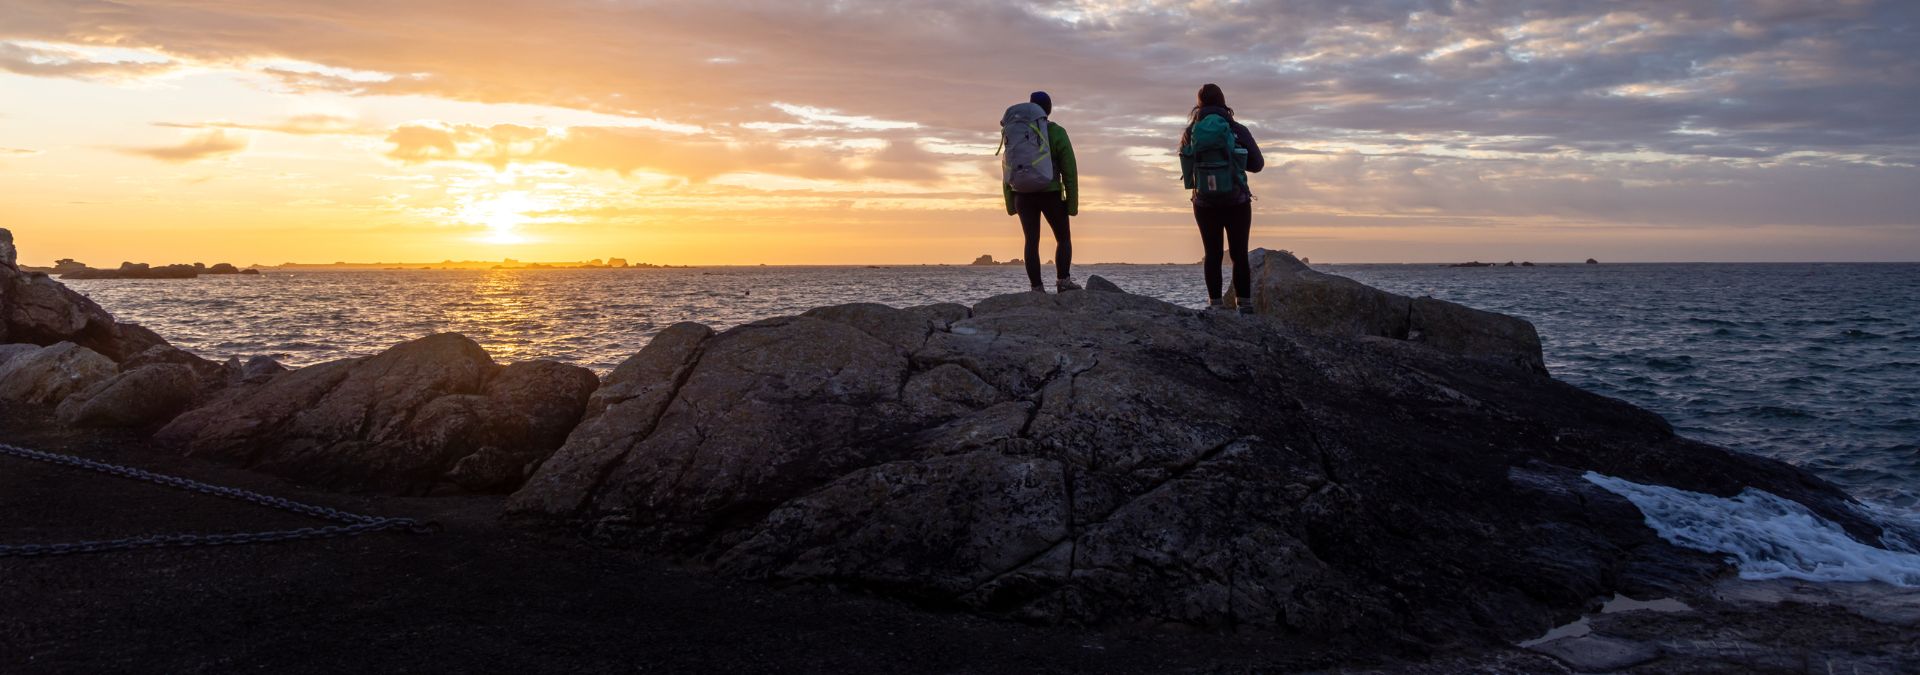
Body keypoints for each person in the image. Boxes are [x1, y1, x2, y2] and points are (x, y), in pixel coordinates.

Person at [1179, 83, 1264, 312]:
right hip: (1236, 200)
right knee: (1238, 254)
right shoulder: (1236, 129)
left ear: (1200, 104)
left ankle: (1215, 305)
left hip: (1204, 203)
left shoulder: (1191, 132)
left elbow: (1187, 166)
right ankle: (1244, 306)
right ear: (1222, 101)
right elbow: (1258, 164)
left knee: (1212, 254)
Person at [1002, 91, 1080, 293]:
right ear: (1049, 109)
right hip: (1050, 193)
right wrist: (1072, 205)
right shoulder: (1056, 132)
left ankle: (1036, 288)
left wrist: (1011, 204)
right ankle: (1063, 282)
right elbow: (1069, 170)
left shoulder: (1018, 133)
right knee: (1063, 238)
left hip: (1022, 195)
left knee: (1031, 241)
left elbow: (1007, 167)